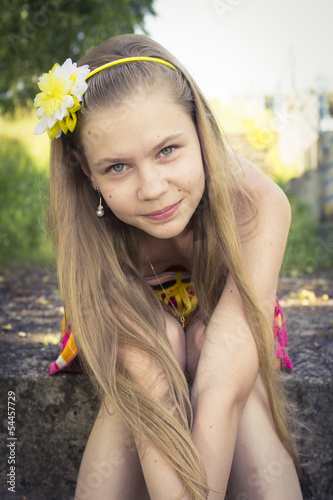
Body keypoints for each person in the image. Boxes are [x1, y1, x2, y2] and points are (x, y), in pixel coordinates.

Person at [34, 34, 303, 499]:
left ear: (201, 131)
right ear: (86, 172)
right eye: (117, 167)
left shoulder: (256, 204)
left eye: (167, 151)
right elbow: (152, 385)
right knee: (140, 379)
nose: (153, 188)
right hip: (131, 330)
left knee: (220, 360)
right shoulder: (87, 229)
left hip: (231, 316)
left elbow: (222, 380)